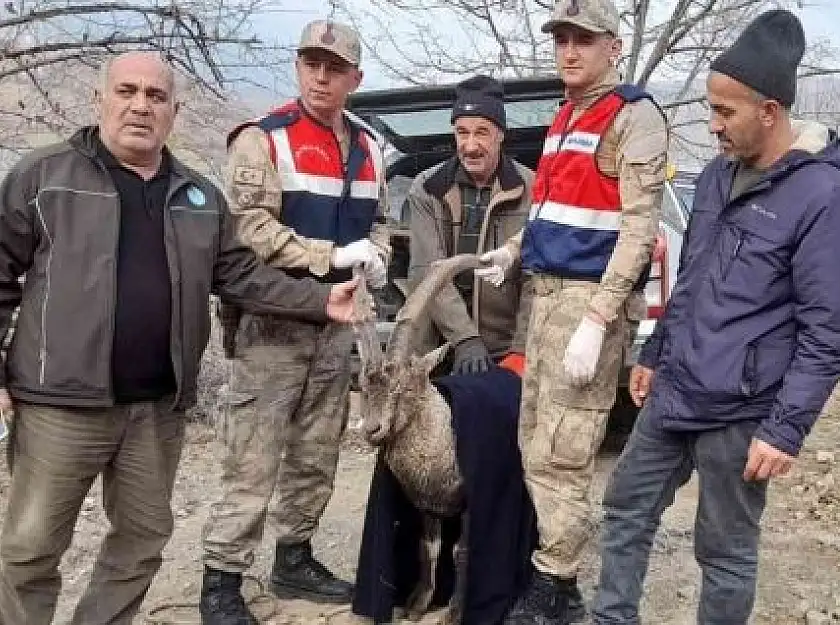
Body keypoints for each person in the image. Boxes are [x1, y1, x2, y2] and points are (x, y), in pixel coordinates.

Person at [0, 51, 363, 625]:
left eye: (155, 96)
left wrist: (322, 300)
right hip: (59, 404)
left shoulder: (197, 197)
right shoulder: (44, 178)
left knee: (140, 546)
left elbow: (241, 275)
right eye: (127, 92)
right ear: (101, 99)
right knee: (31, 550)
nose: (140, 106)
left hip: (157, 409)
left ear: (174, 110)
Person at [590, 9, 840, 624]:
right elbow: (694, 278)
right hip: (676, 391)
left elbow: (831, 334)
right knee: (624, 509)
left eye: (725, 113)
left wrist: (784, 429)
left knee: (725, 553)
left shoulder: (826, 201)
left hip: (743, 413)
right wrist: (657, 352)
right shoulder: (717, 177)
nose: (712, 126)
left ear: (769, 112)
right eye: (711, 110)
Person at [475, 0, 669, 621]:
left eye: (583, 39)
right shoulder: (565, 115)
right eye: (561, 38)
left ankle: (555, 586)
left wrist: (598, 319)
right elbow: (548, 210)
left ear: (613, 46)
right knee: (535, 440)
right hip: (544, 297)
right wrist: (511, 251)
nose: (568, 50)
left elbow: (640, 233)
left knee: (565, 450)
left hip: (586, 303)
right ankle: (553, 573)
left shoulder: (632, 118)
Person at [196, 19, 390, 624]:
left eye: (334, 68)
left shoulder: (367, 146)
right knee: (252, 456)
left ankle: (294, 554)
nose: (321, 77)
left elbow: (378, 217)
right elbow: (251, 228)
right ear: (298, 67)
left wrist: (377, 254)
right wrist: (326, 257)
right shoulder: (264, 138)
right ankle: (221, 579)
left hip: (337, 330)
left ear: (355, 77)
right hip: (273, 323)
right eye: (311, 64)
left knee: (316, 450)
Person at [405, 75, 534, 376]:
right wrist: (465, 339)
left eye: (482, 133)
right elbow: (427, 271)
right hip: (436, 348)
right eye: (462, 133)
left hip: (505, 349)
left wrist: (522, 349)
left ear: (500, 134)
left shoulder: (533, 188)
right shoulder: (426, 188)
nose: (471, 146)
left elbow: (535, 280)